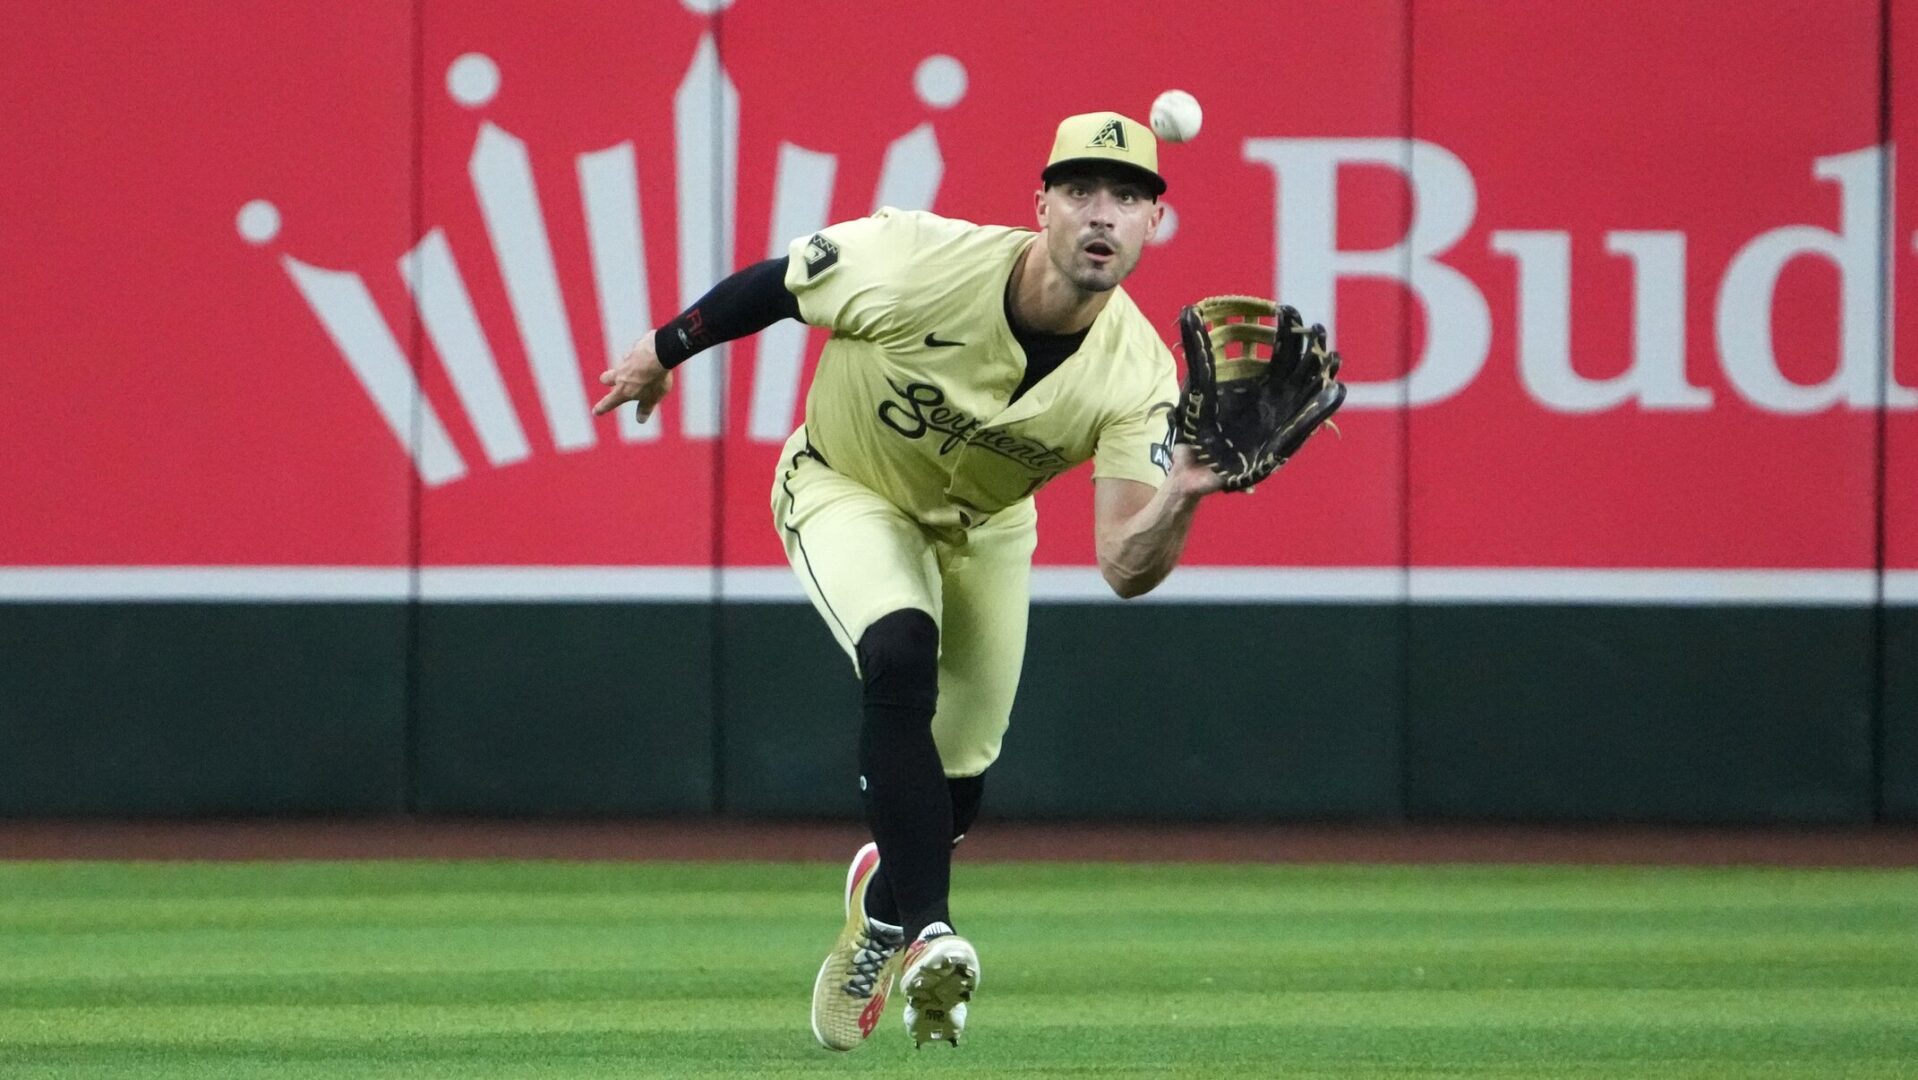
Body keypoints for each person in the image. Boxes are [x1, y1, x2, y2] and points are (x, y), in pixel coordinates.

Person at [594, 111, 1231, 1050]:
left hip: (986, 529)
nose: (1104, 214)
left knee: (960, 780)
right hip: (847, 485)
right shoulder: (921, 258)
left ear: (1154, 227)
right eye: (1083, 192)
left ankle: (883, 914)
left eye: (1130, 197)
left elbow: (1123, 566)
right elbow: (776, 286)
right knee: (899, 653)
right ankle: (931, 931)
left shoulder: (1139, 376)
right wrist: (663, 349)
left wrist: (1181, 492)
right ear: (1042, 206)